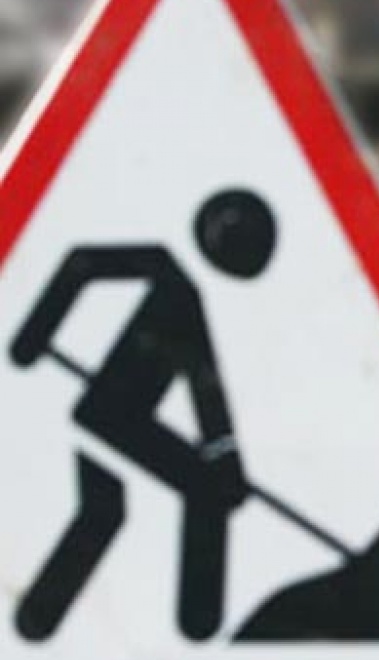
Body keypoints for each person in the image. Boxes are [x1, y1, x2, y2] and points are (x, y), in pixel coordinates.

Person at [9, 190, 276, 641]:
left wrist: (226, 458)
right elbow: (81, 265)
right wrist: (31, 338)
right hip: (112, 413)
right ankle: (198, 620)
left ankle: (36, 620)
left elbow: (204, 388)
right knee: (199, 491)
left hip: (115, 414)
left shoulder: (182, 289)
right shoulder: (173, 281)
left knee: (104, 510)